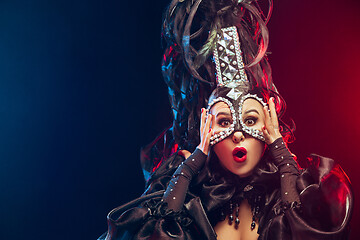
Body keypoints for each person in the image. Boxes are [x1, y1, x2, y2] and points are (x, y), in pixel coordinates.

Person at [98, 0, 353, 239]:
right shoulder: (196, 197)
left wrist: (282, 155)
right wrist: (188, 167)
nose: (237, 134)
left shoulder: (293, 192)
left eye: (251, 120)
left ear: (268, 126)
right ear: (206, 130)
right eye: (223, 122)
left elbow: (307, 231)